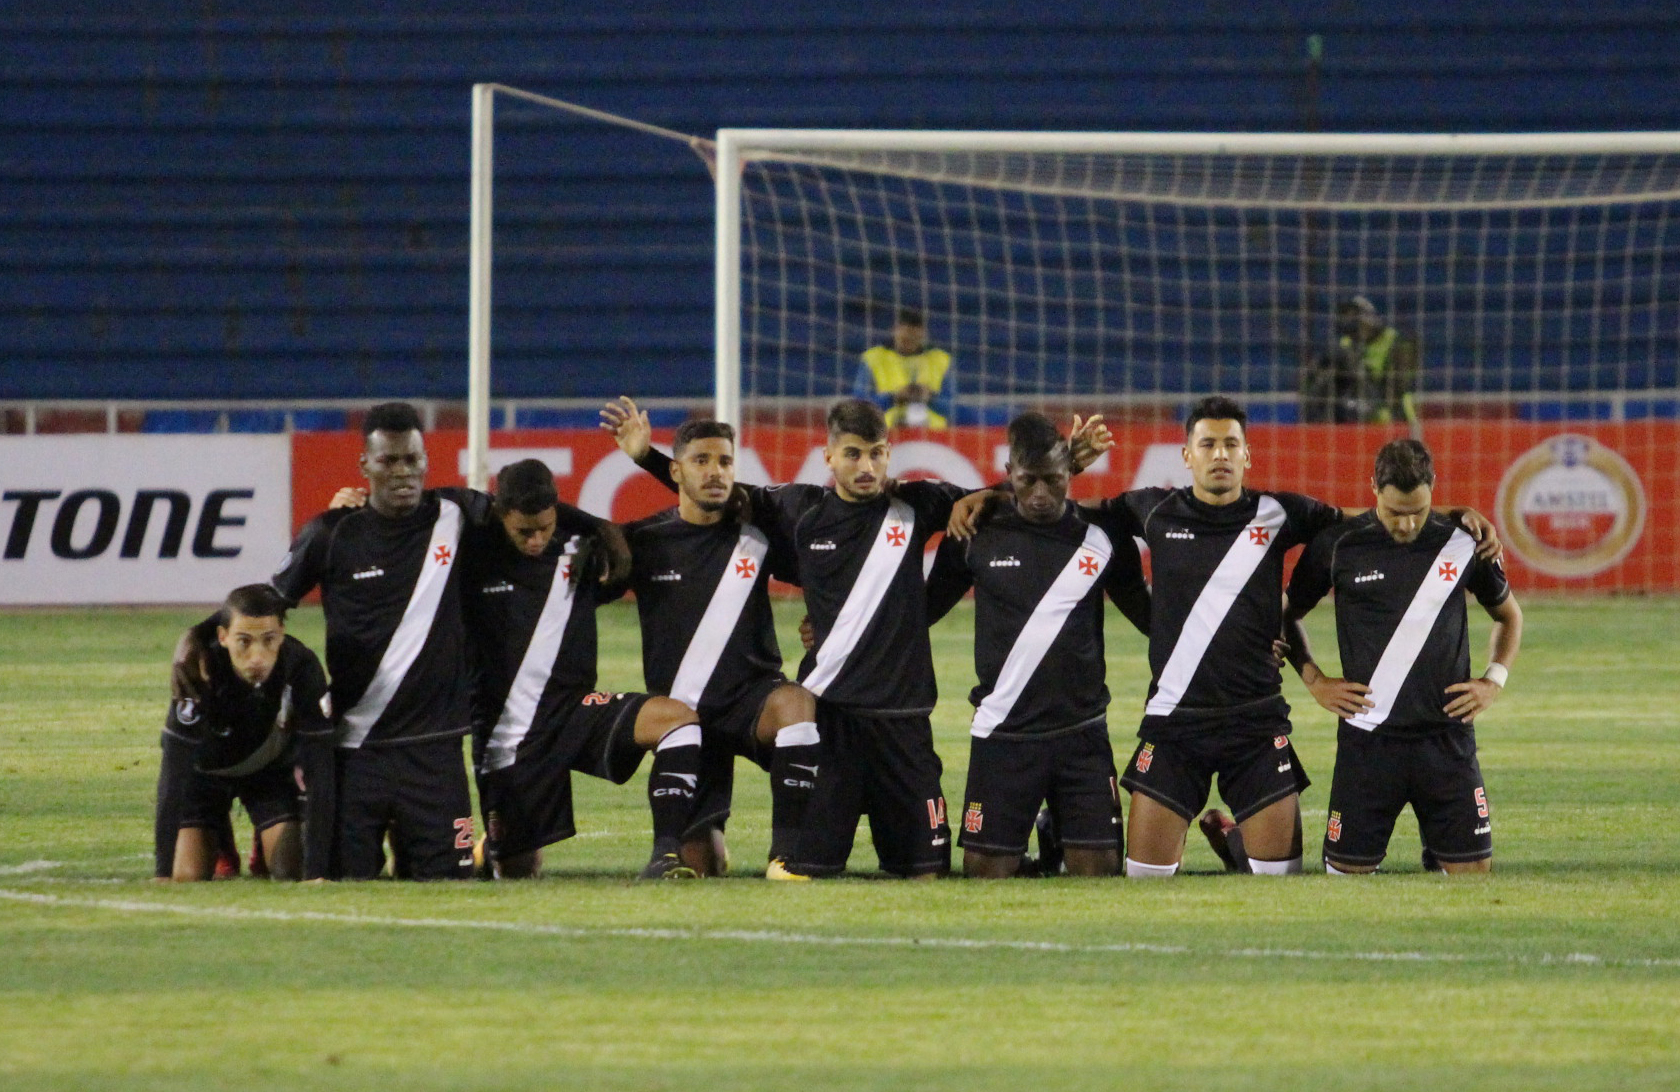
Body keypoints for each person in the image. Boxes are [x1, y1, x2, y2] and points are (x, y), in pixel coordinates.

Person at [953, 395, 1499, 877]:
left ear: (1247, 456)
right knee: (1144, 877)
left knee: (1278, 875)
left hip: (1254, 722)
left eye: (1231, 444)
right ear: (1187, 455)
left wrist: (1453, 515)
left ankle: (1234, 842)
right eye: (1208, 444)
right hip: (1175, 723)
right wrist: (995, 495)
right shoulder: (1151, 510)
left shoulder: (1281, 513)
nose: (1220, 454)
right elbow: (1049, 500)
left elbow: (1374, 517)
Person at [268, 401, 489, 880]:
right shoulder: (330, 534)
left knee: (449, 885)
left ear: (426, 460)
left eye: (412, 459)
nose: (403, 472)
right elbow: (266, 607)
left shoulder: (457, 516)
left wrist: (604, 534)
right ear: (365, 465)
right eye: (388, 460)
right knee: (345, 882)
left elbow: (531, 511)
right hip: (356, 749)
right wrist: (295, 678)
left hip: (436, 750)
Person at [924, 413, 1150, 878]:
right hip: (1004, 733)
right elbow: (919, 612)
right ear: (1009, 473)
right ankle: (1048, 837)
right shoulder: (976, 531)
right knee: (985, 876)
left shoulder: (1102, 534)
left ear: (1071, 472)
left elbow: (1153, 619)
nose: (1041, 493)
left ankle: (1056, 833)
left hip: (1082, 733)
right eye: (1029, 480)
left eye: (1054, 479)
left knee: (1099, 874)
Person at [599, 406, 820, 879]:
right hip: (687, 716)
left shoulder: (759, 536)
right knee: (706, 865)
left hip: (751, 701)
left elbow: (830, 575)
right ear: (676, 471)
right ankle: (684, 848)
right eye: (701, 461)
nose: (715, 471)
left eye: (724, 461)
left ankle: (786, 857)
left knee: (796, 704)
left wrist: (822, 622)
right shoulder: (644, 541)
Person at [1282, 439, 1522, 874]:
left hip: (1447, 740)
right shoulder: (1338, 545)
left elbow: (1509, 617)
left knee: (1472, 879)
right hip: (1367, 742)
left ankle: (1438, 849)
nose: (1408, 523)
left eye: (1419, 511)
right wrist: (1315, 680)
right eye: (1395, 512)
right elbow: (1285, 615)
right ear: (1373, 487)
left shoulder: (1464, 541)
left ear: (1434, 489)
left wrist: (1493, 680)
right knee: (1345, 881)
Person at [461, 459, 708, 880]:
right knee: (519, 869)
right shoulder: (473, 552)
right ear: (501, 516)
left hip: (575, 711)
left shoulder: (580, 547)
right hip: (510, 732)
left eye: (545, 527)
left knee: (677, 720)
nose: (537, 540)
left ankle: (665, 858)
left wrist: (605, 534)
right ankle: (490, 851)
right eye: (524, 531)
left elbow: (652, 553)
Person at [160, 584, 333, 882]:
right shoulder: (196, 668)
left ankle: (262, 835)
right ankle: (219, 834)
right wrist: (162, 871)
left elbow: (321, 766)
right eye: (244, 641)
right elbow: (173, 772)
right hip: (204, 776)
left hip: (267, 773)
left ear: (281, 633)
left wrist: (315, 872)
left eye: (268, 640)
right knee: (187, 876)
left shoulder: (301, 666)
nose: (257, 657)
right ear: (223, 637)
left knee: (290, 870)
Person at [1300, 296, 1420, 426]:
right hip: (1357, 399)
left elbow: (1399, 385)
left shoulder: (1396, 341)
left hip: (1388, 405)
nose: (1349, 321)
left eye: (1353, 316)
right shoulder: (1347, 342)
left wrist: (1361, 369)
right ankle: (1316, 425)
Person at [854, 308, 955, 429]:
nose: (909, 342)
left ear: (923, 334)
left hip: (933, 434)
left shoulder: (941, 360)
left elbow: (953, 408)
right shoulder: (873, 358)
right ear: (894, 331)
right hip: (887, 433)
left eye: (914, 337)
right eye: (905, 338)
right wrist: (893, 398)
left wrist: (931, 398)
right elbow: (859, 408)